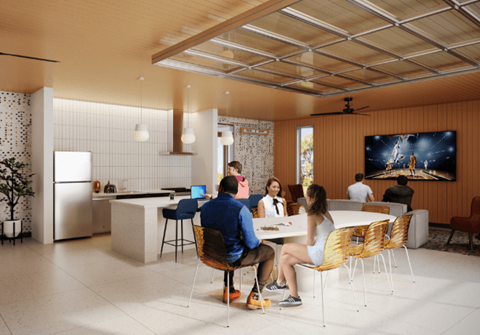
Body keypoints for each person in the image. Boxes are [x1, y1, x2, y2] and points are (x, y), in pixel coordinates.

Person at [200, 176, 274, 309]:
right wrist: (256, 240)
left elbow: (214, 234)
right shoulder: (241, 209)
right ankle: (255, 296)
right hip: (231, 258)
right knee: (269, 252)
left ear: (220, 189)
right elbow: (251, 244)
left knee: (227, 245)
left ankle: (229, 290)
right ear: (236, 192)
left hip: (210, 255)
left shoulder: (205, 207)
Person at [265, 184, 335, 307]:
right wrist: (298, 250)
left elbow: (309, 242)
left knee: (286, 247)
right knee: (285, 260)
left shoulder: (312, 214)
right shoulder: (326, 213)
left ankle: (280, 282)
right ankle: (294, 297)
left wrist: (297, 249)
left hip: (320, 253)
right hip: (330, 252)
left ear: (309, 198)